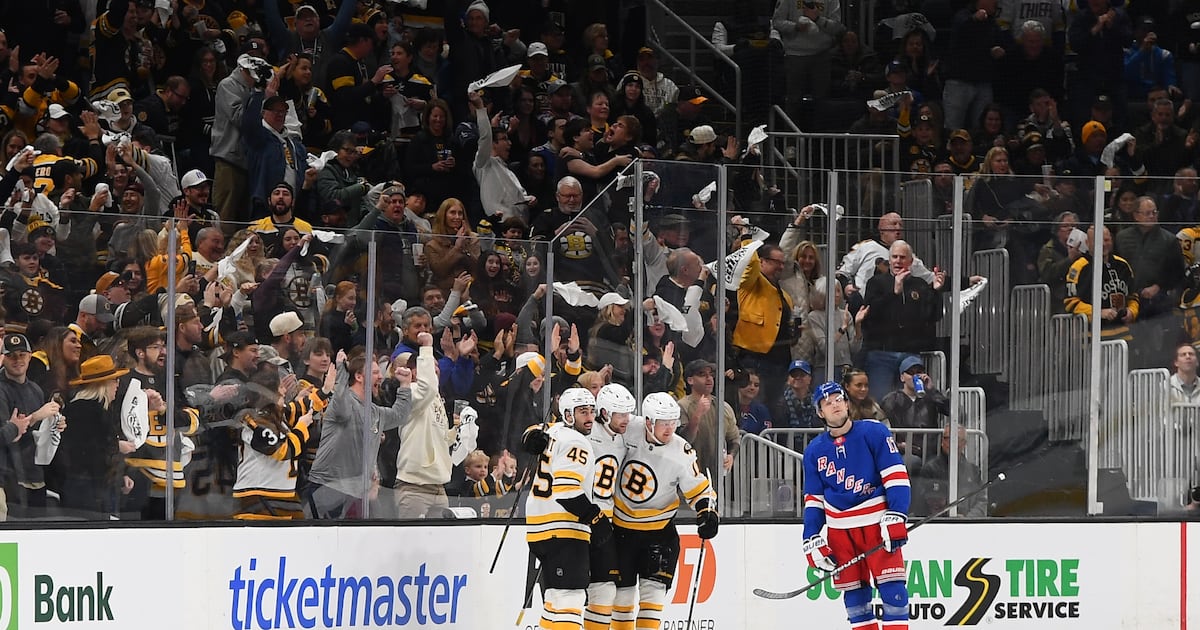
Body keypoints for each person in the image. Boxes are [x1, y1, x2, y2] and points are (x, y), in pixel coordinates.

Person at [802, 381, 911, 630]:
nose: (834, 405)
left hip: (877, 524)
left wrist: (897, 514)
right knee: (855, 599)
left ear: (847, 403)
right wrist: (810, 537)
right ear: (820, 412)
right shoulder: (814, 451)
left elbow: (895, 475)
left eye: (838, 399)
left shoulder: (874, 432)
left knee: (894, 592)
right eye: (827, 403)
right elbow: (814, 501)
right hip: (840, 532)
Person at [611, 392, 717, 630]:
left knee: (653, 596)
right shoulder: (629, 429)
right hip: (620, 531)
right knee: (622, 598)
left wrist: (706, 513)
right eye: (663, 422)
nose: (670, 429)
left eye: (673, 422)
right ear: (648, 421)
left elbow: (700, 489)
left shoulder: (682, 451)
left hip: (659, 533)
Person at [521, 387, 606, 630]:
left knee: (555, 601)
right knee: (571, 599)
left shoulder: (552, 431)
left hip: (539, 529)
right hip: (564, 530)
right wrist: (596, 518)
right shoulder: (576, 441)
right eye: (582, 412)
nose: (589, 418)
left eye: (591, 411)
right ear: (568, 415)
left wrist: (529, 436)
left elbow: (531, 433)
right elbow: (568, 491)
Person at [306, 351, 411, 519]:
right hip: (329, 487)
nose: (381, 377)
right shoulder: (344, 402)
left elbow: (400, 416)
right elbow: (340, 401)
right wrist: (341, 369)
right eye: (375, 372)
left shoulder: (375, 412)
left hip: (358, 490)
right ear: (359, 377)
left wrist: (405, 385)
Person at [584, 383, 636, 629]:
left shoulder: (625, 436)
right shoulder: (585, 432)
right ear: (604, 412)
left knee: (606, 589)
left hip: (608, 521)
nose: (626, 419)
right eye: (620, 414)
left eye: (628, 413)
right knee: (574, 591)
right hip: (582, 517)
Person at [52, 355, 129, 518]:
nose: (117, 385)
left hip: (81, 485)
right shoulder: (94, 412)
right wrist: (117, 446)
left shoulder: (77, 408)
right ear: (104, 383)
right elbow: (92, 453)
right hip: (89, 489)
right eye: (115, 380)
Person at [394, 331, 457, 518]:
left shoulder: (435, 397)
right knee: (410, 543)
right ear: (414, 371)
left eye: (436, 366)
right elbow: (427, 387)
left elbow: (440, 437)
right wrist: (427, 347)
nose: (435, 370)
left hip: (438, 484)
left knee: (438, 544)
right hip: (414, 485)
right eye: (430, 366)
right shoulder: (411, 392)